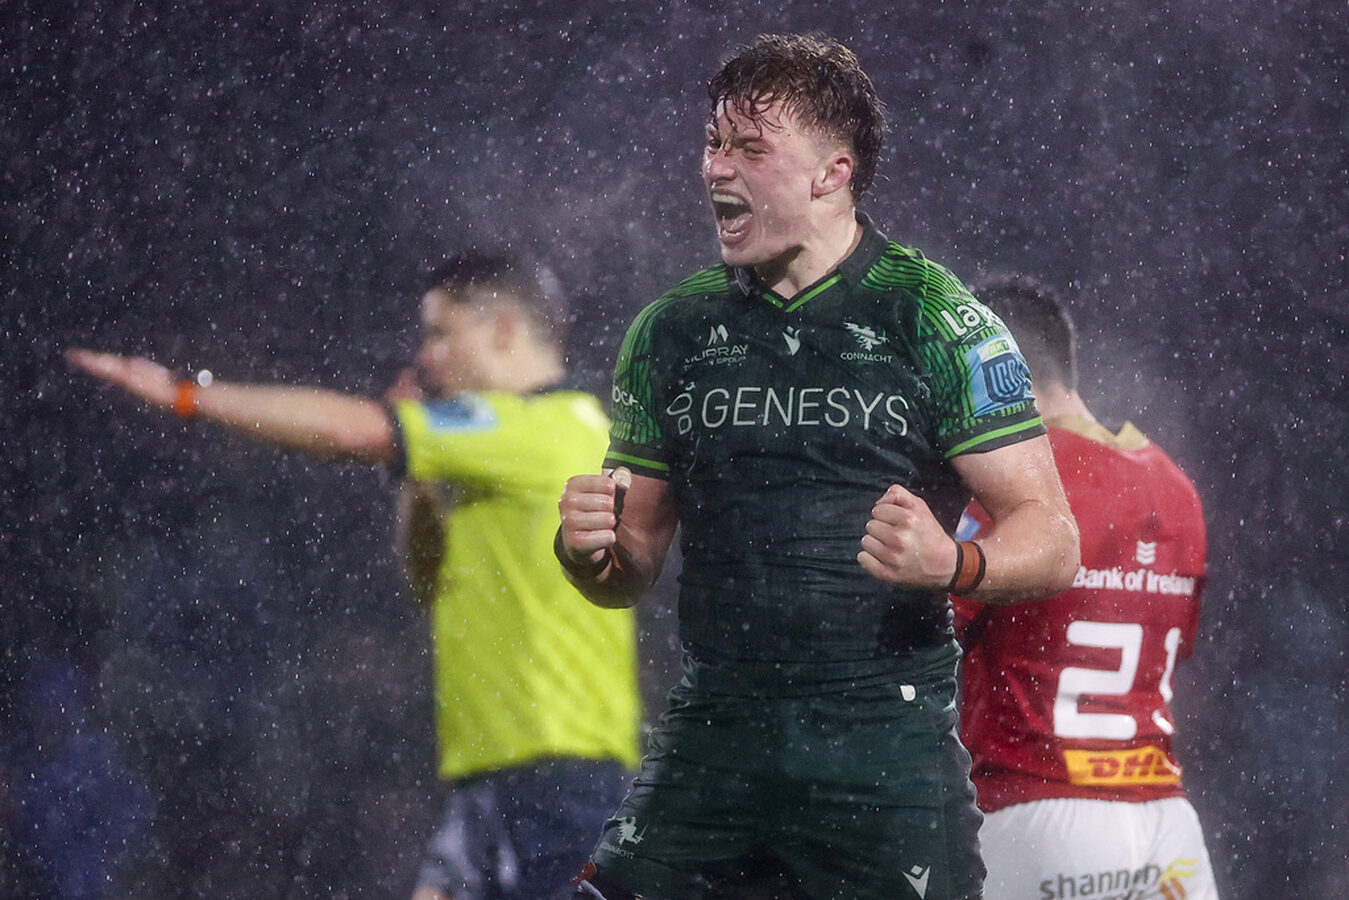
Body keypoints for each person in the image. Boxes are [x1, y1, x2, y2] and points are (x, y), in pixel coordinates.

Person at [555, 34, 1080, 900]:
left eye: (749, 148)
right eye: (712, 143)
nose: (715, 168)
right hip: (714, 744)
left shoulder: (936, 318)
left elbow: (1054, 539)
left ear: (831, 173)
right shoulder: (670, 331)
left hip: (881, 760)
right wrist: (586, 553)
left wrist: (955, 563)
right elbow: (628, 567)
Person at [67, 253, 642, 900]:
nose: (425, 356)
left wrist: (186, 395)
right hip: (499, 777)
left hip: (556, 778)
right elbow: (427, 583)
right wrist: (420, 474)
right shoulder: (517, 447)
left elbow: (349, 431)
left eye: (441, 332)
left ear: (505, 330)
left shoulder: (541, 427)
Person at [952, 276, 1219, 899]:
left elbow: (928, 629)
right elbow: (1175, 650)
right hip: (1166, 827)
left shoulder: (1018, 485)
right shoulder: (1176, 488)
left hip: (1035, 815)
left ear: (991, 372)